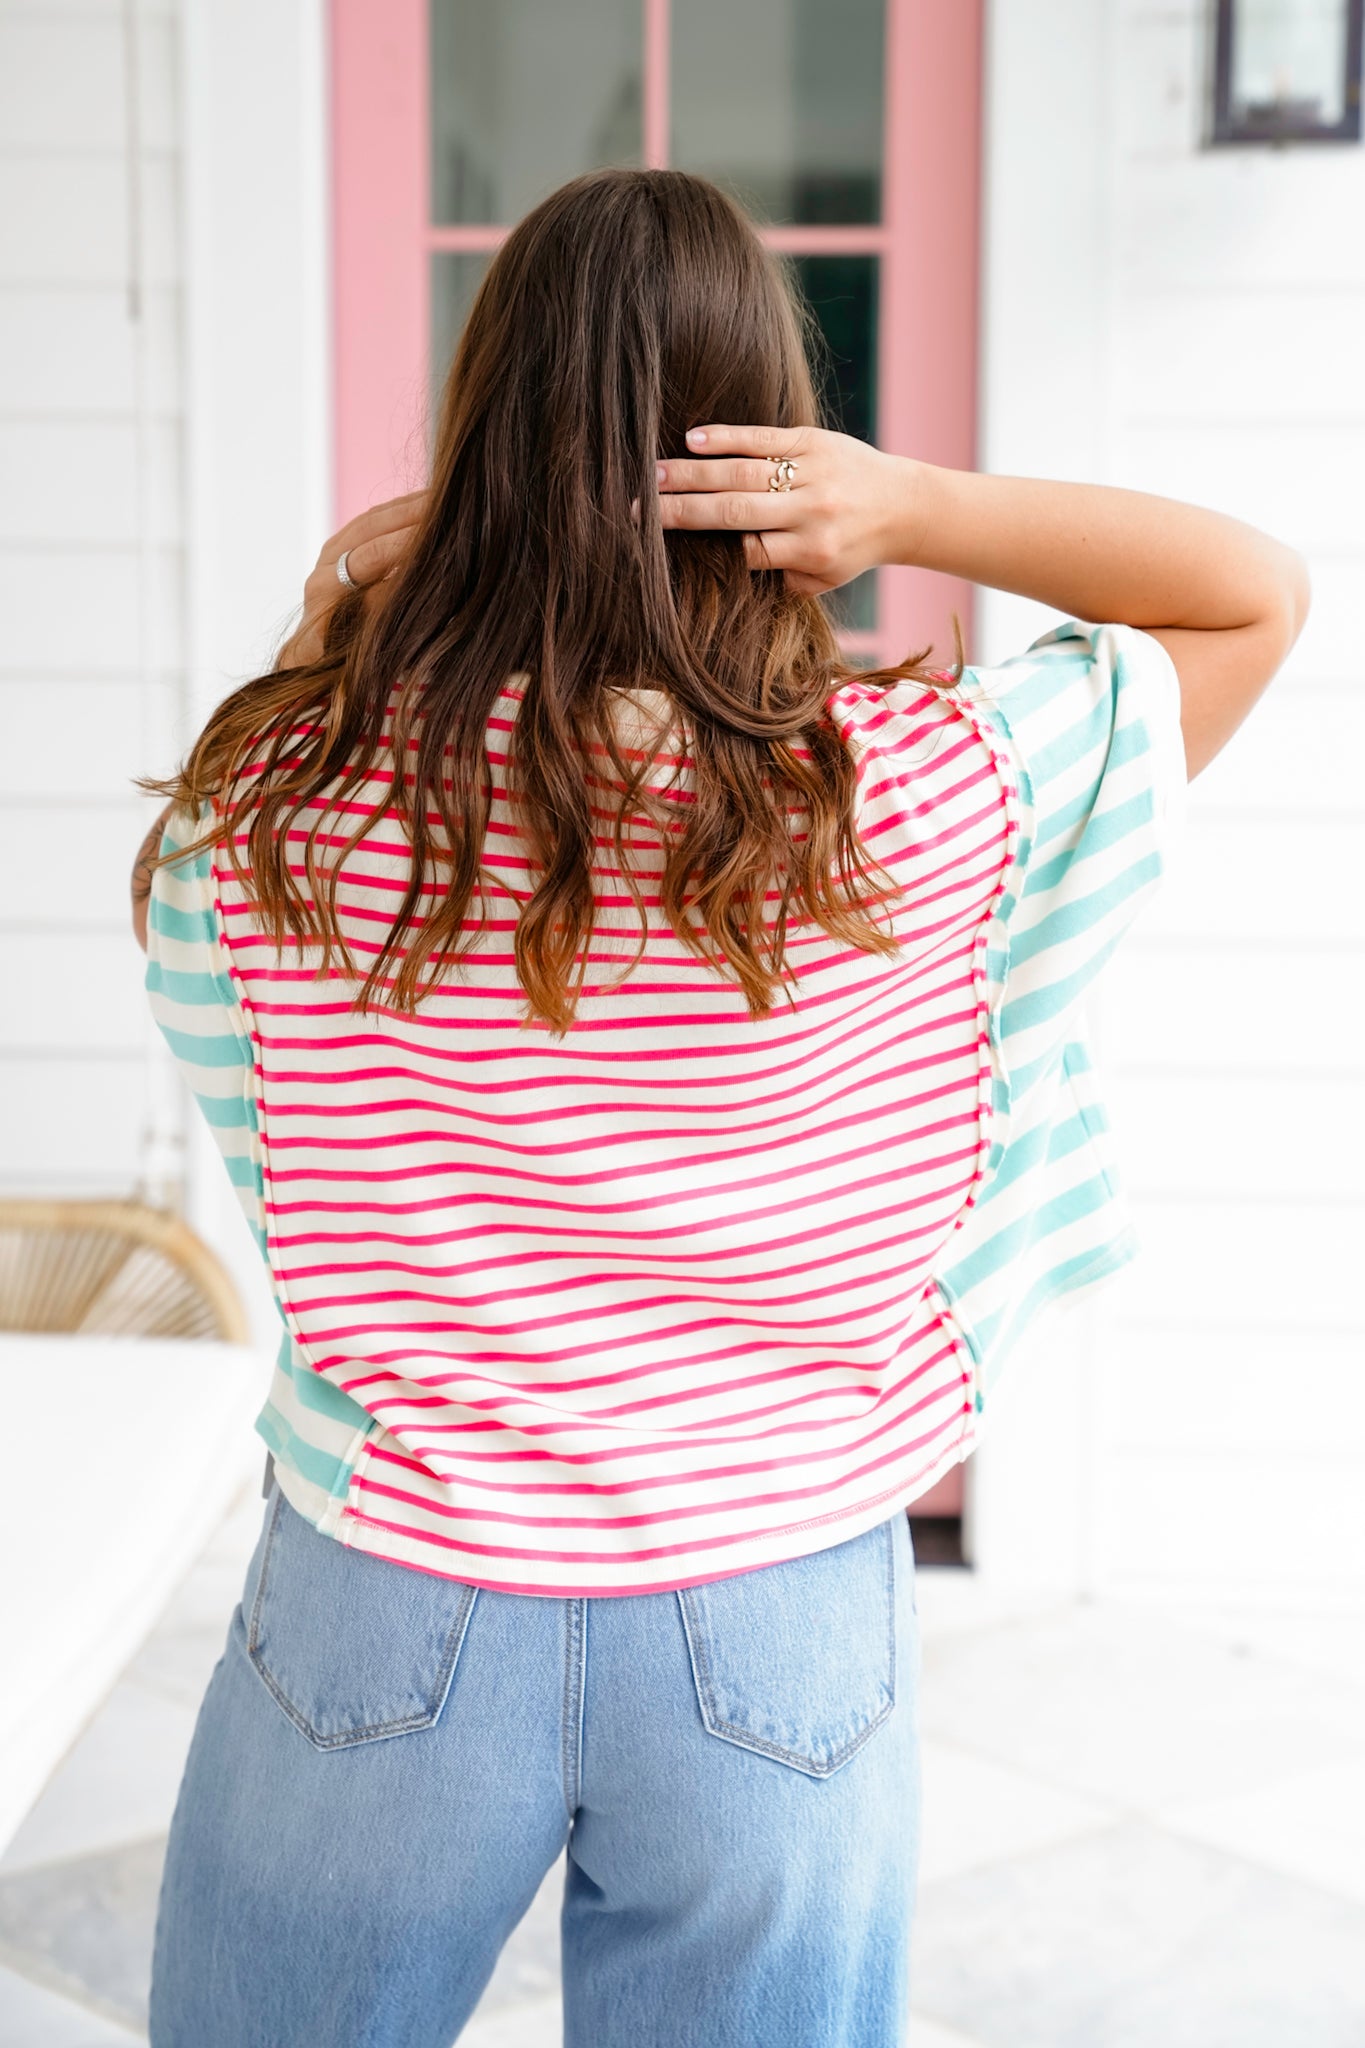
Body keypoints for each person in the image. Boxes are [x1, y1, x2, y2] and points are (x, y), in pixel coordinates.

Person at [130, 167, 1307, 2048]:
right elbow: (1254, 597)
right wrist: (913, 502)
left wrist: (354, 596)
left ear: (478, 438)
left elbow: (243, 1024)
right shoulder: (923, 796)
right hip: (778, 1610)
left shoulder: (287, 804)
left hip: (394, 1591)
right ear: (777, 454)